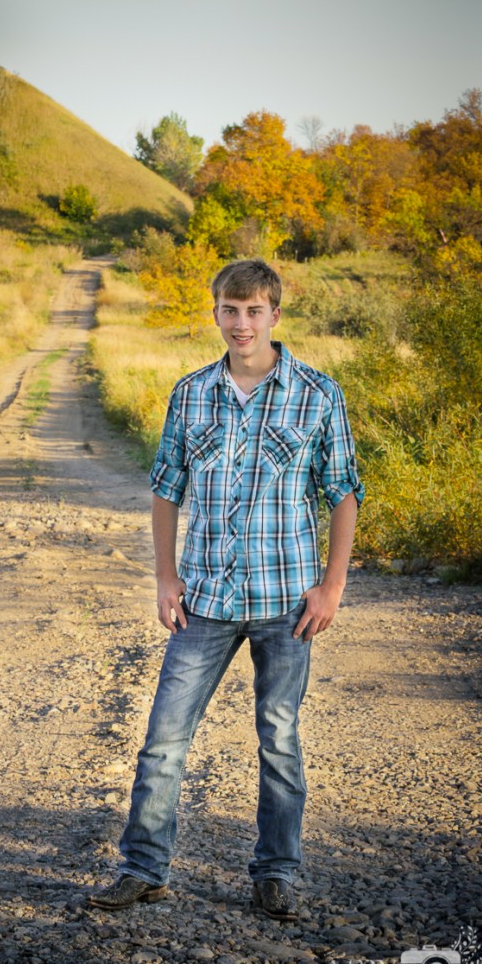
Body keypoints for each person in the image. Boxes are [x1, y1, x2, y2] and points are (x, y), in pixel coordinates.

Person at [88, 258, 364, 919]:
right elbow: (166, 488)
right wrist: (164, 578)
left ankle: (276, 875)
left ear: (275, 314)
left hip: (287, 601)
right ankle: (144, 868)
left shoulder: (317, 394)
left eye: (254, 311)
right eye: (229, 310)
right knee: (163, 739)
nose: (241, 323)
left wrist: (332, 586)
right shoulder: (191, 394)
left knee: (280, 740)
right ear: (215, 312)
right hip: (205, 599)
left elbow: (344, 491)